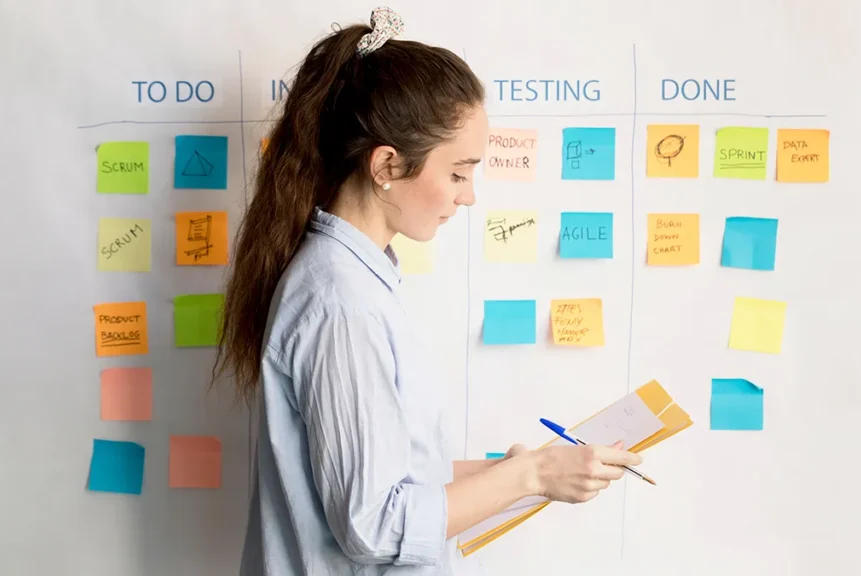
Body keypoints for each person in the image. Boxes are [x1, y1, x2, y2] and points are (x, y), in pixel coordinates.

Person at [213, 7, 642, 575]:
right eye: (460, 172)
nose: (468, 197)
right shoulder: (339, 302)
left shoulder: (359, 279)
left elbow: (394, 476)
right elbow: (373, 526)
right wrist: (532, 475)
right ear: (387, 165)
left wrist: (515, 475)